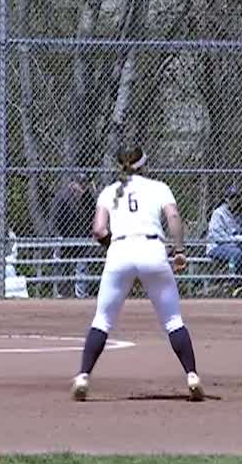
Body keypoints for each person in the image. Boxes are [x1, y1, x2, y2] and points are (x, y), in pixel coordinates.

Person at [70, 144, 204, 402]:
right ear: (144, 164)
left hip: (120, 249)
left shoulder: (109, 191)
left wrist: (117, 250)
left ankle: (83, 376)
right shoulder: (158, 187)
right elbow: (174, 217)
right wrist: (179, 250)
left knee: (102, 320)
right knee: (173, 320)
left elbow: (98, 229)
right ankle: (192, 376)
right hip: (152, 249)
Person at [205, 186, 242, 291]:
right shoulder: (218, 213)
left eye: (236, 197)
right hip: (216, 246)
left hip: (239, 245)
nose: (234, 200)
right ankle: (235, 283)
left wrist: (239, 239)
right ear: (226, 199)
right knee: (236, 253)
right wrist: (237, 240)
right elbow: (218, 237)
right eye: (231, 197)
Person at [50, 174, 95, 299]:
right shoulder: (62, 197)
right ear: (73, 184)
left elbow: (93, 215)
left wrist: (90, 233)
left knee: (82, 265)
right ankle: (62, 293)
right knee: (62, 265)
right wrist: (57, 236)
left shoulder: (87, 198)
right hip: (64, 236)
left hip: (80, 237)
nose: (82, 188)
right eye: (80, 184)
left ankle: (80, 293)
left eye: (84, 185)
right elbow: (53, 219)